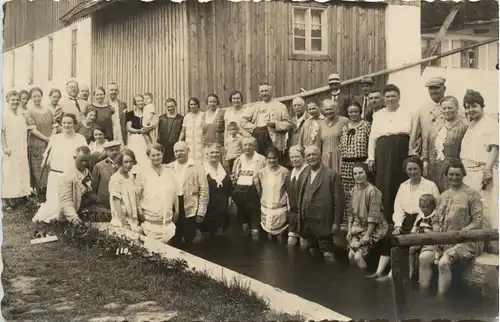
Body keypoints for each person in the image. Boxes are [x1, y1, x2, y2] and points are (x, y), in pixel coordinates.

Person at [368, 156, 439, 280]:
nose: (412, 172)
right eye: (409, 169)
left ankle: (392, 275)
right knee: (389, 238)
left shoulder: (430, 185)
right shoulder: (403, 186)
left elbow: (437, 207)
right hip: (405, 220)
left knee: (404, 242)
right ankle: (379, 271)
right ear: (405, 171)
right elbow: (398, 207)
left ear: (421, 169)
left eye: (415, 169)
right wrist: (398, 225)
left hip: (422, 222)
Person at [419, 161, 483, 296]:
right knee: (424, 257)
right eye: (451, 174)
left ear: (463, 175)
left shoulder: (472, 194)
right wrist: (437, 237)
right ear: (446, 176)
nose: (454, 177)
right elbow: (436, 220)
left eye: (457, 174)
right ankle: (422, 295)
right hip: (442, 240)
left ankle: (440, 300)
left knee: (443, 262)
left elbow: (477, 221)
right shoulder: (443, 195)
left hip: (466, 240)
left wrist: (461, 233)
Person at [368, 84, 415, 224]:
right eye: (387, 96)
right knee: (384, 183)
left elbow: (412, 135)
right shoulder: (378, 115)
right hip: (383, 152)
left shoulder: (408, 113)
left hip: (401, 150)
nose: (390, 99)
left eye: (393, 96)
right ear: (384, 98)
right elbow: (373, 138)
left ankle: (401, 220)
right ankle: (385, 219)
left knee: (401, 181)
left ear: (399, 97)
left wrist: (411, 155)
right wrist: (371, 158)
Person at [460, 89, 499, 253]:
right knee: (475, 208)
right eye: (467, 107)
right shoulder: (472, 124)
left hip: (483, 171)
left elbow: (495, 148)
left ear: (481, 105)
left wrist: (487, 170)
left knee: (487, 208)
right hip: (470, 172)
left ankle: (492, 246)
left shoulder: (490, 123)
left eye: (474, 106)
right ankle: (478, 245)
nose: (470, 110)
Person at [32, 113, 88, 223]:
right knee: (53, 201)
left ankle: (69, 217)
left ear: (75, 124)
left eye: (69, 123)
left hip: (72, 175)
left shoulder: (80, 138)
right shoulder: (55, 138)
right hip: (56, 174)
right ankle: (54, 218)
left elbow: (85, 157)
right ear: (61, 124)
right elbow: (47, 156)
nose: (67, 125)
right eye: (64, 123)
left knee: (69, 199)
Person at [298, 145, 345, 262]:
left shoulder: (331, 175)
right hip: (307, 221)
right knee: (312, 250)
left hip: (324, 221)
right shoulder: (304, 173)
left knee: (328, 254)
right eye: (308, 155)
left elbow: (339, 201)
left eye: (314, 154)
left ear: (320, 156)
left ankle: (332, 277)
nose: (311, 157)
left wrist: (336, 223)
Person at [347, 163, 388, 270]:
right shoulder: (353, 191)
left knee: (358, 257)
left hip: (373, 229)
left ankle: (364, 281)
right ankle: (354, 280)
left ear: (366, 174)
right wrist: (349, 230)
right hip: (358, 227)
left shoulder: (373, 191)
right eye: (355, 173)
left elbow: (374, 215)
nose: (357, 176)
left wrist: (367, 235)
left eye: (360, 173)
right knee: (350, 256)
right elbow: (350, 212)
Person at [422, 96, 468, 192]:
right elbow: (427, 144)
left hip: (452, 170)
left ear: (456, 108)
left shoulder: (464, 127)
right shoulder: (436, 125)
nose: (447, 111)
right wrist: (425, 164)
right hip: (433, 167)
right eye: (444, 108)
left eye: (450, 108)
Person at [166, 142, 209, 244]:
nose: (179, 153)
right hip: (174, 206)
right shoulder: (169, 167)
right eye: (176, 151)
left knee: (190, 237)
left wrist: (201, 212)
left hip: (190, 207)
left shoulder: (197, 166)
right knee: (174, 236)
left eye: (181, 150)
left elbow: (204, 190)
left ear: (188, 150)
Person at [240, 83, 292, 163]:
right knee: (259, 161)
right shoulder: (256, 106)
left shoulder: (280, 106)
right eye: (262, 91)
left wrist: (276, 124)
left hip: (273, 138)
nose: (264, 93)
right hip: (258, 137)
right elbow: (243, 121)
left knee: (273, 161)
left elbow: (288, 124)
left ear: (271, 92)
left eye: (266, 91)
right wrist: (254, 128)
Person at [338, 101, 371, 223]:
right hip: (347, 165)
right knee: (348, 194)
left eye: (355, 111)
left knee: (362, 190)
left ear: (360, 112)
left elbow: (371, 144)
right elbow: (341, 146)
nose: (353, 114)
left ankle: (364, 219)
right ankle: (349, 220)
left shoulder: (366, 125)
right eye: (350, 112)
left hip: (361, 163)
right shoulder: (345, 128)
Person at [137, 144, 177, 242]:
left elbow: (175, 192)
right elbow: (137, 194)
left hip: (167, 221)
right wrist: (140, 211)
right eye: (153, 155)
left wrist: (177, 210)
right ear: (148, 157)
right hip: (150, 222)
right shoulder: (142, 173)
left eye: (158, 154)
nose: (156, 158)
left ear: (163, 154)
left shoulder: (170, 171)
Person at [232, 137, 266, 239]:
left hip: (254, 192)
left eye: (250, 145)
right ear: (242, 147)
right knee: (243, 220)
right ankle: (246, 245)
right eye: (245, 145)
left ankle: (255, 241)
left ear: (254, 146)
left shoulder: (261, 159)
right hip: (239, 193)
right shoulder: (238, 160)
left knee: (255, 219)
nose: (247, 147)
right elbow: (234, 177)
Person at [2, 91, 31, 212]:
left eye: (17, 99)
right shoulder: (4, 114)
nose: (15, 102)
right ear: (7, 100)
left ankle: (16, 196)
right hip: (9, 148)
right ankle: (4, 200)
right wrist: (4, 146)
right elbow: (1, 131)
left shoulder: (20, 115)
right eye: (12, 99)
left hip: (20, 147)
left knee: (18, 171)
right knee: (7, 173)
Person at [254, 146, 290, 242]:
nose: (272, 160)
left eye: (274, 158)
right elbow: (259, 189)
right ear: (266, 159)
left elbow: (288, 190)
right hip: (266, 208)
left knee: (281, 236)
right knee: (269, 236)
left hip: (280, 208)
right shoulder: (261, 172)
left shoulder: (285, 172)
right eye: (269, 158)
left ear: (278, 158)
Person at [25, 87, 55, 196]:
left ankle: (48, 189)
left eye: (38, 96)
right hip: (37, 142)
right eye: (34, 96)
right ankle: (39, 190)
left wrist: (52, 137)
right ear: (31, 98)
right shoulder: (29, 112)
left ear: (42, 96)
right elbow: (33, 130)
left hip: (49, 141)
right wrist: (46, 138)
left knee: (49, 164)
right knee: (38, 166)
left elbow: (54, 125)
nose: (37, 98)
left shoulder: (48, 111)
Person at [199, 143, 233, 237]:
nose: (214, 154)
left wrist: (229, 205)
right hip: (207, 212)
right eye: (212, 152)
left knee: (218, 239)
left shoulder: (224, 168)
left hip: (222, 211)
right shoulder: (202, 169)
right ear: (207, 154)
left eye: (217, 152)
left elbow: (229, 189)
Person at [58, 146, 97, 225]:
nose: (84, 163)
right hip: (74, 211)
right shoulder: (67, 175)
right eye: (81, 160)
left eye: (86, 160)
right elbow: (65, 201)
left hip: (86, 206)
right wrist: (73, 217)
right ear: (74, 158)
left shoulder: (86, 171)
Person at [108, 149, 144, 234]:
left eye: (131, 162)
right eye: (126, 162)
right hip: (121, 222)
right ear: (120, 162)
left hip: (133, 221)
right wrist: (124, 223)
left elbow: (135, 197)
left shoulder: (131, 176)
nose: (129, 165)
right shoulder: (116, 179)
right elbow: (116, 203)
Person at [410, 77, 447, 157]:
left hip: (447, 157)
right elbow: (415, 137)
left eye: (437, 88)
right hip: (428, 157)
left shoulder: (452, 108)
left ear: (444, 89)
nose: (434, 91)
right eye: (431, 88)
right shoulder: (422, 111)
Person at [314, 99, 350, 173]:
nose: (328, 112)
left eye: (331, 109)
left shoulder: (344, 121)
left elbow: (350, 140)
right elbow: (317, 144)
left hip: (340, 157)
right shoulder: (321, 125)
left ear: (335, 109)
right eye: (326, 110)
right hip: (325, 158)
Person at [284, 145, 309, 247]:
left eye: (297, 156)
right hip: (293, 213)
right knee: (291, 242)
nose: (294, 159)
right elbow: (287, 193)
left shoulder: (308, 172)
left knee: (304, 243)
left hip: (305, 214)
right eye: (292, 157)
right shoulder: (290, 174)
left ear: (303, 157)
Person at [408, 194, 437, 279]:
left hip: (430, 240)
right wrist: (412, 234)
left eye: (428, 207)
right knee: (411, 249)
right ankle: (411, 269)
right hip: (420, 238)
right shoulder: (420, 216)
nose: (425, 209)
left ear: (433, 206)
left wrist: (426, 232)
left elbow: (436, 231)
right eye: (423, 207)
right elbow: (415, 227)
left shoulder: (435, 217)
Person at [91, 140, 121, 210]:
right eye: (111, 150)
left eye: (117, 150)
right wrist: (98, 200)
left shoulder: (123, 165)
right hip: (104, 206)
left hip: (120, 205)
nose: (115, 152)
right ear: (106, 151)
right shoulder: (99, 166)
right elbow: (93, 188)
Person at [126, 94, 150, 169]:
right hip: (134, 139)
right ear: (135, 102)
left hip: (145, 139)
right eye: (138, 101)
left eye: (142, 100)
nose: (140, 102)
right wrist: (139, 130)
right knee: (135, 157)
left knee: (145, 158)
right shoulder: (130, 114)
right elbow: (128, 128)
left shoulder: (148, 114)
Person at [157, 98, 183, 164]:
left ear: (175, 106)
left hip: (175, 145)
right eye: (168, 106)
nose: (170, 108)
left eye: (172, 106)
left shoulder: (180, 118)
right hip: (164, 146)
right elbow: (159, 132)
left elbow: (182, 132)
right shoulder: (162, 118)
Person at [178, 97, 205, 162]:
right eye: (191, 104)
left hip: (200, 144)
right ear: (189, 106)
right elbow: (183, 131)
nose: (193, 106)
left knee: (201, 162)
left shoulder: (203, 115)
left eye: (195, 104)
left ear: (198, 105)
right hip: (189, 144)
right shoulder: (187, 117)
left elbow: (206, 130)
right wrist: (179, 142)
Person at [203, 94, 226, 165]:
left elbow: (227, 129)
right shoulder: (203, 114)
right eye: (210, 102)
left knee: (219, 166)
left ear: (217, 103)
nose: (212, 104)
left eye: (214, 102)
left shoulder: (222, 113)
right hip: (207, 146)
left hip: (218, 146)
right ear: (207, 103)